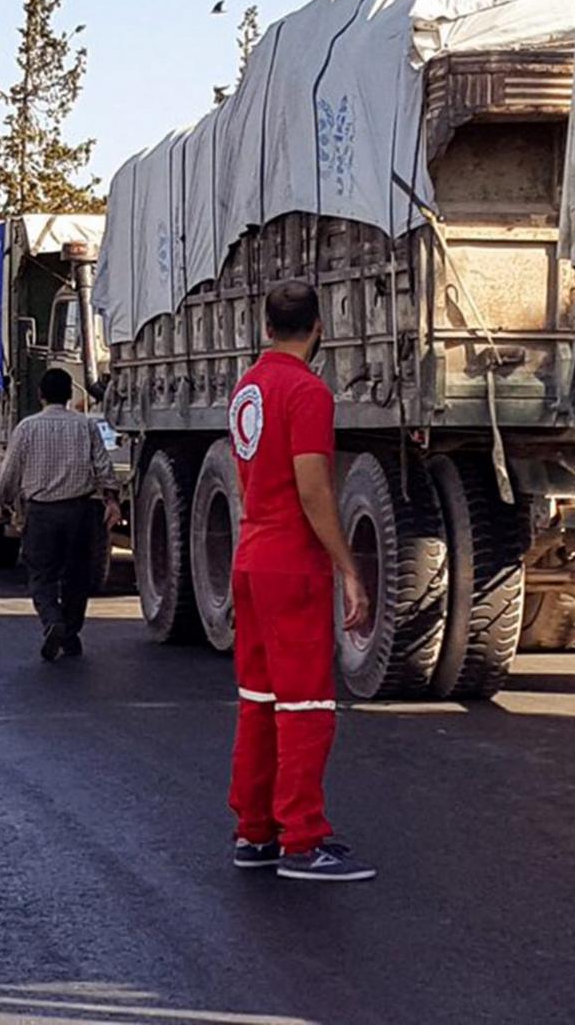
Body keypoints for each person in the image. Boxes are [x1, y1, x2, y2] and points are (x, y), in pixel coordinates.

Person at [226, 279, 376, 883]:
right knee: (307, 704)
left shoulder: (247, 389)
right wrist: (348, 567)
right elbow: (313, 487)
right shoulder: (307, 392)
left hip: (252, 555)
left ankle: (255, 830)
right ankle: (302, 838)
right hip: (292, 562)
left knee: (259, 702)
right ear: (319, 328)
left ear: (265, 327)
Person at [0, 367, 117, 663]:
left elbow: (9, 474)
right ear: (70, 395)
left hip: (42, 514)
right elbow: (103, 466)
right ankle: (71, 633)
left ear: (40, 395)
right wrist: (112, 499)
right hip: (80, 511)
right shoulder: (84, 426)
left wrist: (4, 502)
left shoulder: (26, 428)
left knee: (42, 576)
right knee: (77, 576)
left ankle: (53, 622)